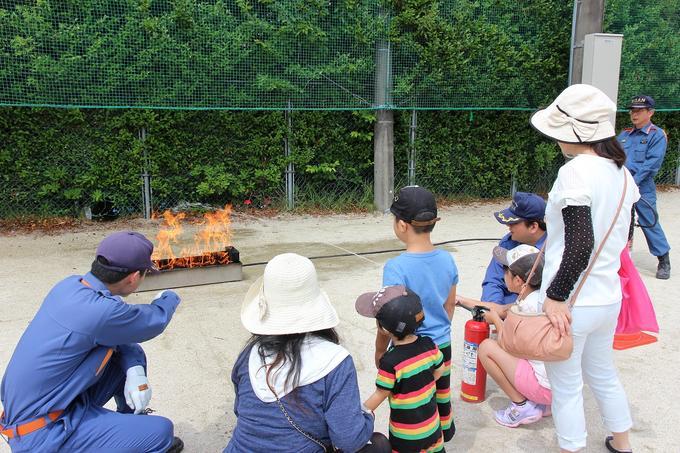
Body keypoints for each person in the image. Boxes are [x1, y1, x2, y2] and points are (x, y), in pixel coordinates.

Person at [530, 84, 639, 453]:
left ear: (575, 132)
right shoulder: (622, 173)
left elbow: (580, 242)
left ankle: (571, 447)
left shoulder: (576, 172)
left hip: (574, 301)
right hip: (608, 297)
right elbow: (624, 238)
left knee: (566, 386)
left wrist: (556, 297)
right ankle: (622, 443)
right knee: (603, 374)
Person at [0, 231, 183, 452]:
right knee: (161, 432)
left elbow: (121, 338)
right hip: (43, 433)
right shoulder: (101, 312)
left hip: (44, 405)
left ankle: (130, 422)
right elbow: (154, 320)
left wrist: (136, 371)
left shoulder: (70, 286)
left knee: (125, 357)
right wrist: (169, 297)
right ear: (133, 277)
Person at [225, 253, 390, 453]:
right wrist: (367, 417)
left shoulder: (250, 354)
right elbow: (349, 440)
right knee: (378, 445)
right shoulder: (334, 362)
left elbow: (240, 410)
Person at [376, 185, 458, 441]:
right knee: (440, 393)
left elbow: (388, 317)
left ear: (401, 225)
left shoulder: (395, 268)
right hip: (442, 344)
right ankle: (441, 436)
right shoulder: (448, 259)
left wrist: (380, 350)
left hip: (407, 351)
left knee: (411, 405)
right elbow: (450, 305)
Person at [357, 286, 446, 452]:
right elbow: (440, 369)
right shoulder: (429, 345)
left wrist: (360, 411)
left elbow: (380, 394)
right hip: (433, 427)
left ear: (384, 329)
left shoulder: (391, 362)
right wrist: (424, 382)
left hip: (406, 435)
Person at [476, 245, 552, 428]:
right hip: (561, 385)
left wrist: (494, 319)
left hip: (543, 388)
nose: (503, 274)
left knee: (487, 347)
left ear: (518, 280)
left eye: (505, 270)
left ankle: (522, 405)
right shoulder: (544, 298)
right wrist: (461, 300)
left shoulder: (524, 309)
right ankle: (545, 404)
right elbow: (501, 309)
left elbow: (507, 343)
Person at [617, 95, 671, 279]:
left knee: (649, 222)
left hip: (641, 186)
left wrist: (632, 183)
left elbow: (652, 164)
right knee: (618, 222)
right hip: (621, 185)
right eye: (632, 110)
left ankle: (663, 259)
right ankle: (618, 259)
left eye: (639, 111)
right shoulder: (624, 135)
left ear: (650, 112)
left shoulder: (657, 135)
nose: (634, 114)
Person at [480, 192, 547, 306]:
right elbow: (494, 281)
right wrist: (495, 309)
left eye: (513, 222)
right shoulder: (508, 242)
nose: (508, 226)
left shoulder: (555, 250)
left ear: (533, 227)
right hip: (504, 311)